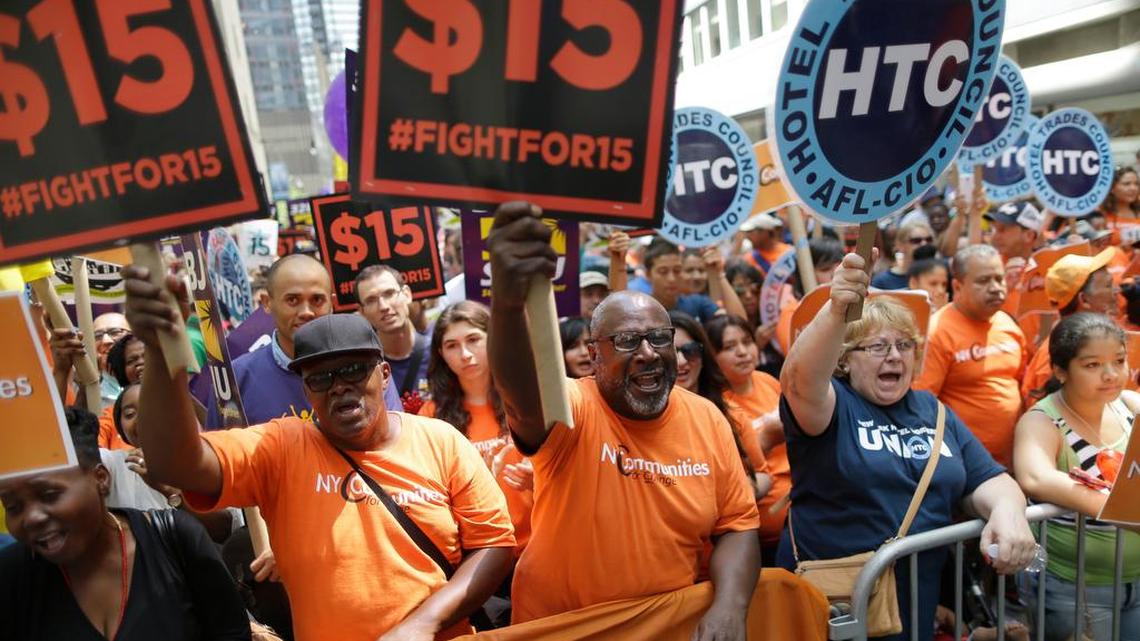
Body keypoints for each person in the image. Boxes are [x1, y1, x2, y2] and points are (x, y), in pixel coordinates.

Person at [124, 263, 516, 641]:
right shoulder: (280, 448)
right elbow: (176, 463)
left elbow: (494, 543)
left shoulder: (440, 440)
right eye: (321, 378)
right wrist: (161, 351)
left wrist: (424, 623)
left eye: (354, 370)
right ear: (306, 390)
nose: (339, 386)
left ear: (383, 375)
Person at [487, 202, 761, 638]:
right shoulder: (572, 407)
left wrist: (730, 605)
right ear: (594, 356)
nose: (649, 353)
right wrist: (505, 301)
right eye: (628, 341)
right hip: (565, 628)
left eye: (659, 338)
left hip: (664, 626)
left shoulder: (708, 419)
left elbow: (738, 526)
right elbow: (520, 394)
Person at [779, 250, 1037, 641]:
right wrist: (836, 310)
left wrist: (1009, 511)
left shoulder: (933, 411)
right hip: (837, 605)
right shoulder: (833, 403)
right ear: (845, 360)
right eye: (878, 347)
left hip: (913, 604)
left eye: (905, 345)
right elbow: (799, 379)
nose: (894, 356)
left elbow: (988, 479)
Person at [0, 407, 251, 641]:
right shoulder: (13, 576)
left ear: (101, 479)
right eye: (13, 506)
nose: (31, 517)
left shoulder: (175, 542)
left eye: (49, 495)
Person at [1013, 313, 1140, 641]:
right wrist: (1119, 509)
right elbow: (1035, 477)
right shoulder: (1043, 421)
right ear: (1060, 370)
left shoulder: (1128, 406)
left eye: (1119, 361)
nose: (1111, 374)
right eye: (1092, 365)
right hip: (1075, 592)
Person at [204, 254, 402, 428]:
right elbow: (222, 460)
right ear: (267, 303)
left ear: (331, 304)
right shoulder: (236, 379)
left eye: (317, 300)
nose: (306, 312)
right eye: (292, 300)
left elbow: (393, 440)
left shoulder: (365, 363)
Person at [420, 301, 534, 556]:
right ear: (440, 353)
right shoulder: (430, 416)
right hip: (474, 558)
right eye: (452, 345)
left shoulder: (530, 401)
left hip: (536, 548)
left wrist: (538, 481)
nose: (465, 354)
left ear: (493, 339)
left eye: (474, 339)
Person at [915, 245, 1028, 467]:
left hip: (1014, 461)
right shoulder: (937, 333)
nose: (996, 288)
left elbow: (1023, 386)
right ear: (957, 285)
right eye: (984, 281)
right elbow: (922, 407)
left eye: (999, 278)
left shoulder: (1007, 324)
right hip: (964, 467)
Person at [706, 314, 787, 563]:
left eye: (747, 341)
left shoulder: (768, 381)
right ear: (712, 357)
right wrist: (766, 439)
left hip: (796, 510)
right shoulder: (715, 404)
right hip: (757, 524)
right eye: (730, 347)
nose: (743, 352)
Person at [670, 311, 771, 501]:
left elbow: (762, 475)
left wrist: (730, 502)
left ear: (704, 354)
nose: (681, 361)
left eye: (690, 350)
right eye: (671, 352)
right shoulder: (647, 418)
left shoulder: (730, 414)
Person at [1021, 249, 1118, 406]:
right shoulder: (1053, 359)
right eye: (1108, 286)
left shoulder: (1090, 342)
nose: (1116, 291)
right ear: (1084, 299)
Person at [355, 265, 431, 411]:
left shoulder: (440, 353)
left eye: (389, 293)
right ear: (361, 311)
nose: (383, 306)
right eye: (371, 300)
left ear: (407, 294)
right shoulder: (362, 369)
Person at [641, 237, 748, 323]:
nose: (671, 278)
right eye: (663, 272)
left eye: (677, 270)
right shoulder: (640, 311)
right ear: (648, 274)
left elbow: (740, 324)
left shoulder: (697, 304)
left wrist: (719, 273)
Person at [985, 200, 1044, 318]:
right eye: (994, 229)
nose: (995, 236)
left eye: (1002, 230)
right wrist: (1002, 287)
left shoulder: (1046, 269)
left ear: (1029, 235)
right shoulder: (986, 267)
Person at [873, 220, 937, 290]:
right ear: (900, 245)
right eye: (916, 241)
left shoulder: (942, 276)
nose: (924, 244)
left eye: (929, 240)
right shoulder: (882, 282)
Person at [741, 213, 791, 277]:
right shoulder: (747, 260)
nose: (747, 236)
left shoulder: (789, 252)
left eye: (751, 232)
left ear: (765, 232)